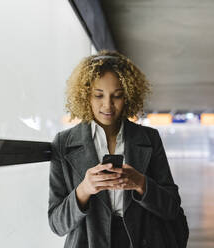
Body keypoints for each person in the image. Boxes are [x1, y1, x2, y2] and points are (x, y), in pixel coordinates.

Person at [48, 50, 183, 248]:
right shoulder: (63, 143)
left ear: (127, 96)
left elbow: (171, 208)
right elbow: (57, 224)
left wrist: (141, 183)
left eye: (117, 96)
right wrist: (84, 190)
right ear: (85, 96)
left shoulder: (149, 139)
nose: (108, 105)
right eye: (98, 95)